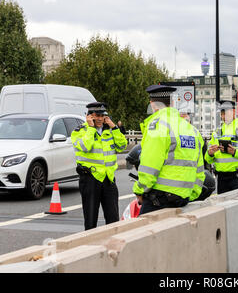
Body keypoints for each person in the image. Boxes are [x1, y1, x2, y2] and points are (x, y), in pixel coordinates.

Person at [133, 84, 205, 215]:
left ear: (153, 105)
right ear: (172, 102)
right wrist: (192, 193)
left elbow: (150, 165)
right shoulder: (191, 129)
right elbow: (199, 168)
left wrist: (139, 190)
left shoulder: (158, 125)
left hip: (159, 199)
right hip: (184, 198)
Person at [71, 102, 128, 230]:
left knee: (113, 219)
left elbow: (122, 146)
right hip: (90, 178)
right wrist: (91, 129)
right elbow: (85, 146)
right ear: (89, 116)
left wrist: (114, 128)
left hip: (108, 179)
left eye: (103, 115)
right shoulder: (79, 131)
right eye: (97, 115)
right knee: (91, 220)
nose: (100, 118)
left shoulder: (109, 130)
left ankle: (113, 246)